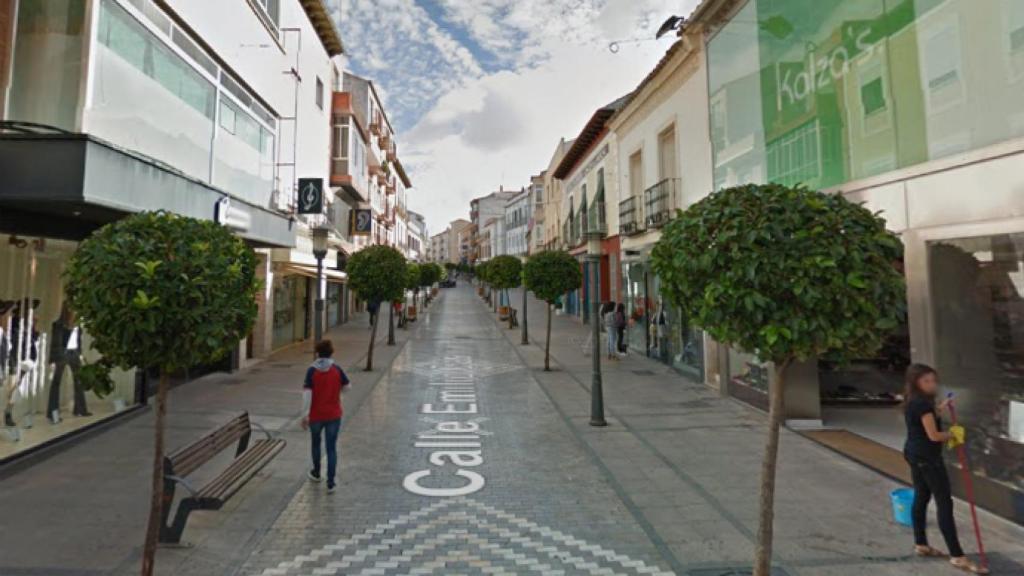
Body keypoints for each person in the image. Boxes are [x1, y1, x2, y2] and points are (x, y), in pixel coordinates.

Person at [902, 364, 988, 574]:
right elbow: (933, 435)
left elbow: (927, 419)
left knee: (921, 496)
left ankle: (921, 544)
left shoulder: (914, 401)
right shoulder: (922, 404)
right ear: (916, 383)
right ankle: (957, 556)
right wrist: (953, 434)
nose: (932, 384)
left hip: (913, 453)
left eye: (933, 380)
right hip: (928, 458)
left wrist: (941, 407)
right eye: (926, 381)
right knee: (944, 502)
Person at [301, 340, 350, 493]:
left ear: (317, 353)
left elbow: (307, 394)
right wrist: (338, 392)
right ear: (331, 352)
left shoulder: (311, 371)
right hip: (334, 414)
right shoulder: (336, 369)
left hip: (316, 415)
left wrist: (304, 415)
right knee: (331, 448)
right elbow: (348, 386)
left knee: (316, 443)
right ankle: (330, 482)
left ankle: (316, 472)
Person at [47, 303, 89, 422]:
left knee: (79, 380)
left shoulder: (77, 326)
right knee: (56, 382)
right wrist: (53, 359)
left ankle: (80, 409)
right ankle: (52, 412)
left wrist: (80, 354)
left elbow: (78, 341)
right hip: (62, 354)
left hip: (74, 353)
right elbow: (55, 343)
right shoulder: (58, 325)